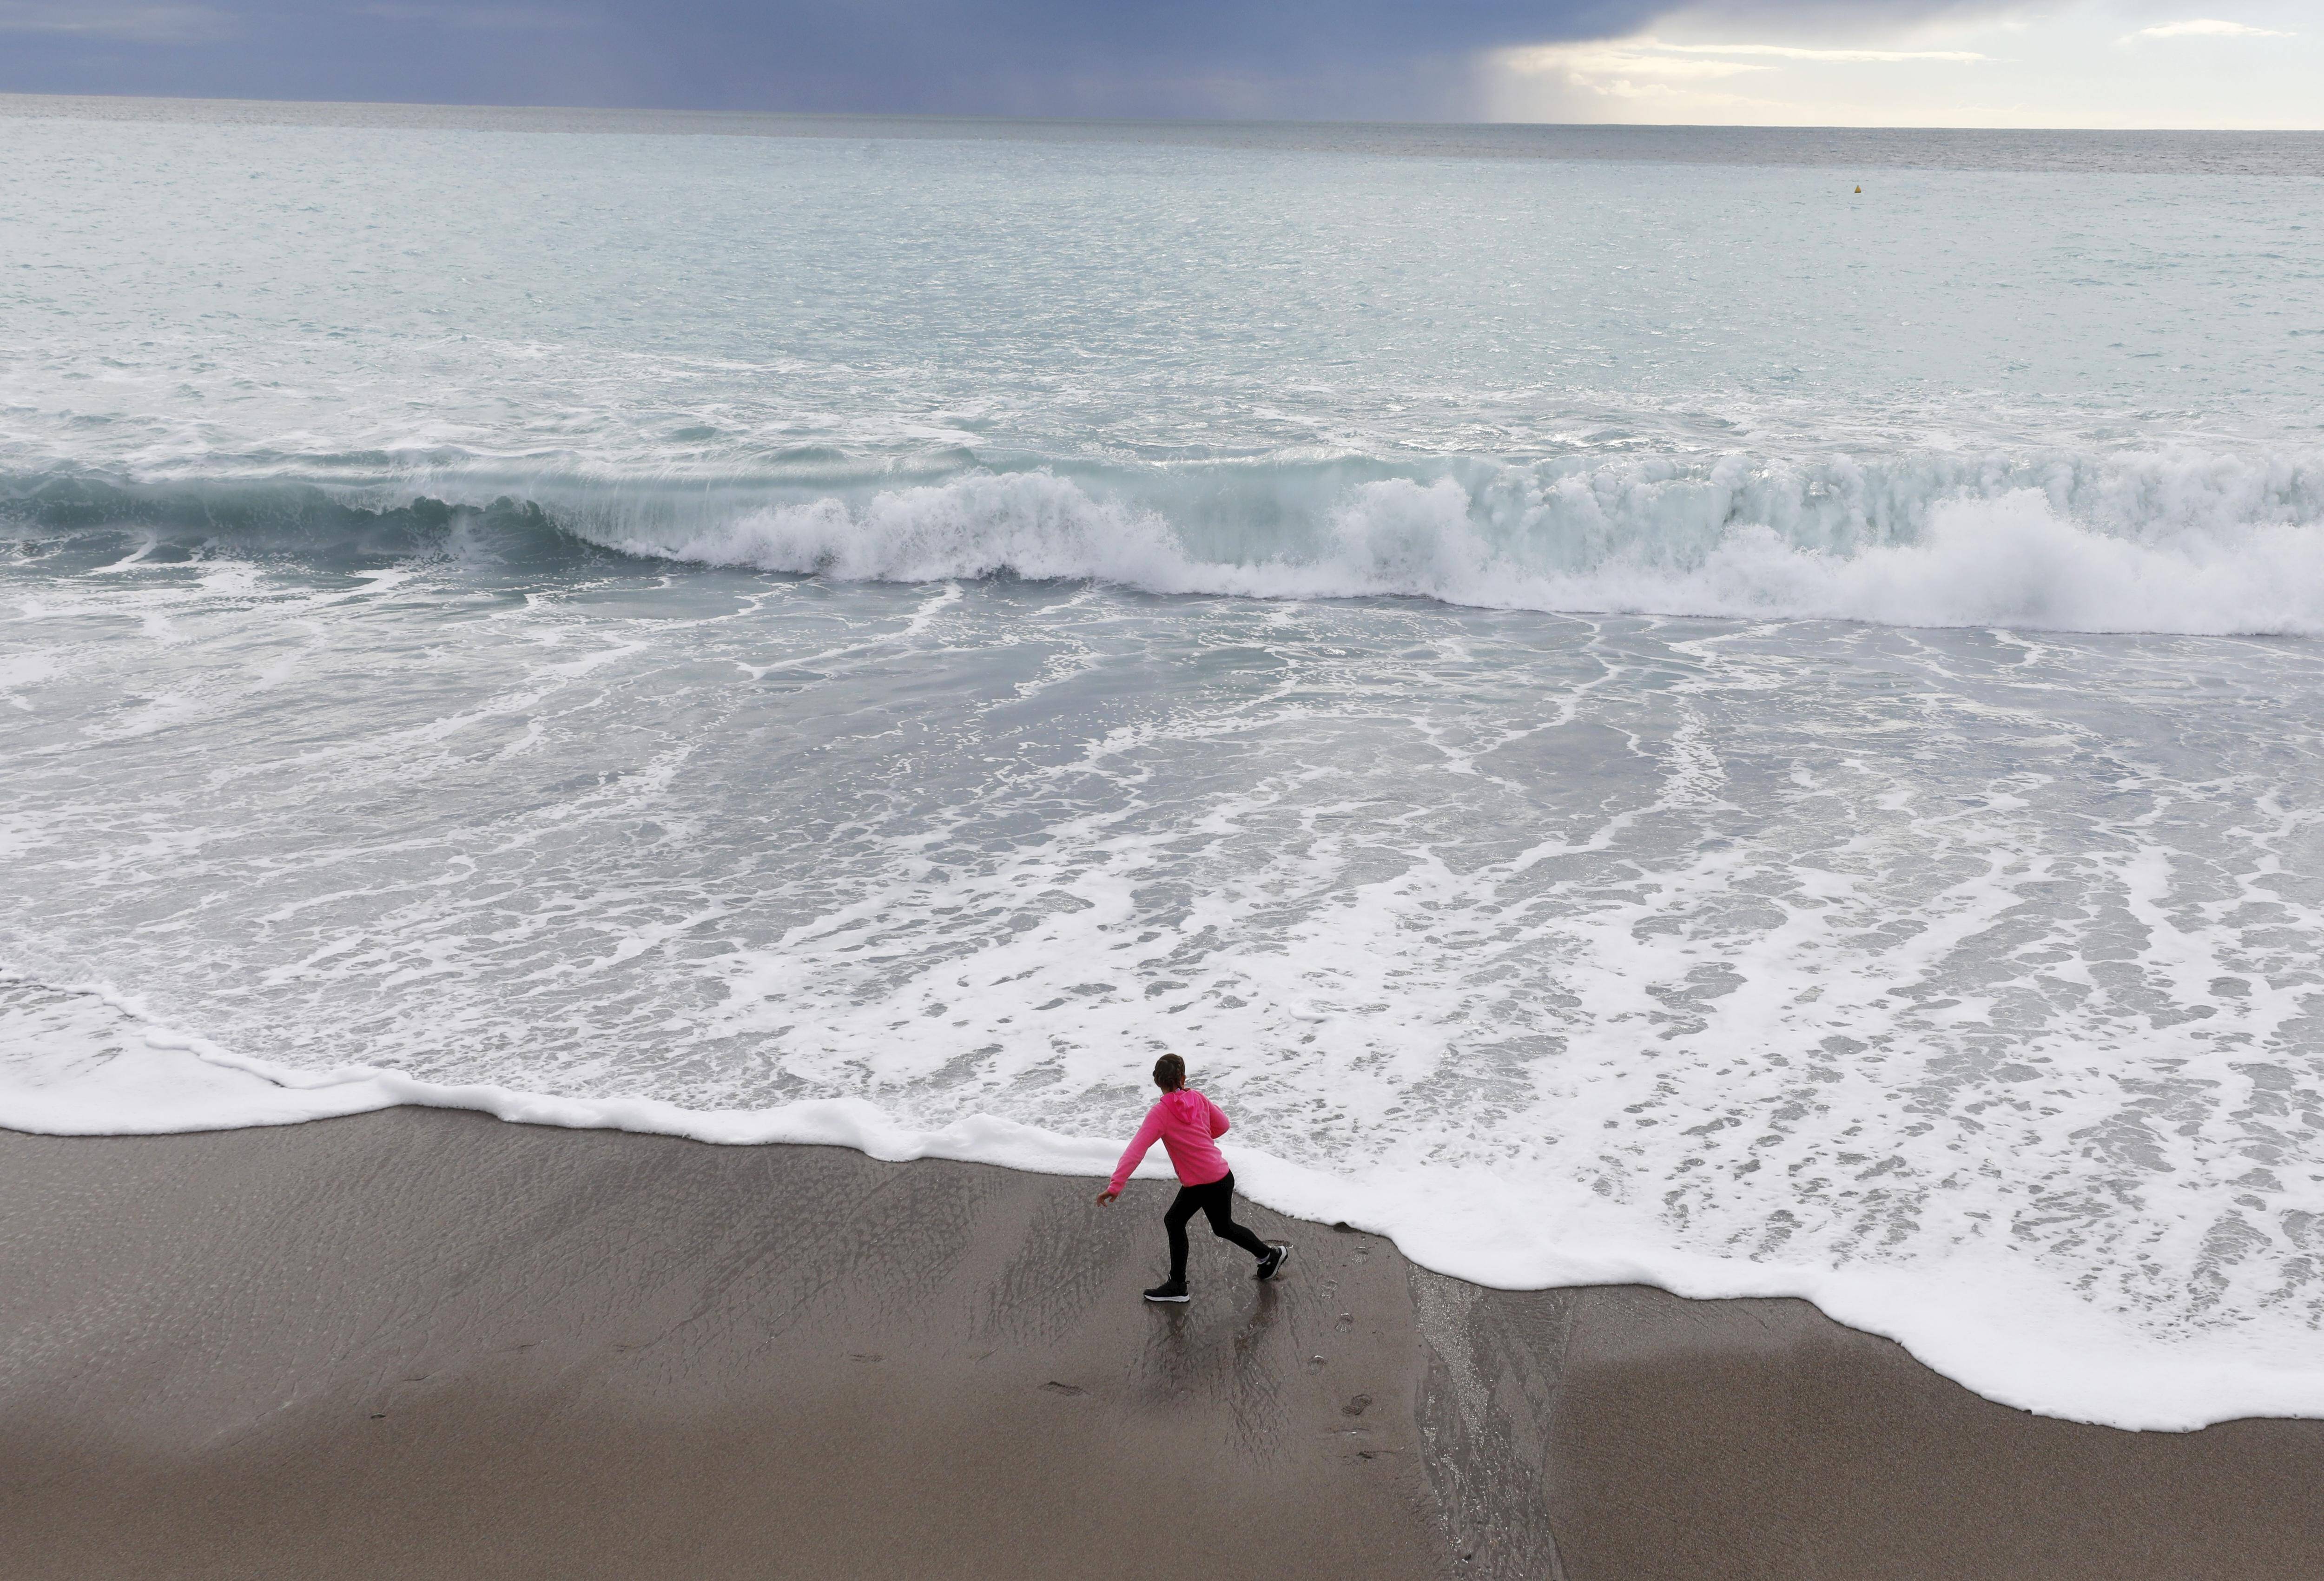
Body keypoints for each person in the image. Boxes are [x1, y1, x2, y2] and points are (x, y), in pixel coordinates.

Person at [1096, 1054, 1289, 1303]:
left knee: (1175, 1222)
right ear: (1183, 1078)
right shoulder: (1197, 1097)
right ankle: (1269, 1256)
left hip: (1202, 1183)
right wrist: (1199, 1134)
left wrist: (1116, 1185)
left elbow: (1137, 1149)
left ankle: (1178, 1286)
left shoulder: (1160, 1113)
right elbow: (1223, 1125)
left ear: (1157, 1081)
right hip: (1221, 1175)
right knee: (1222, 1227)